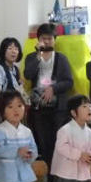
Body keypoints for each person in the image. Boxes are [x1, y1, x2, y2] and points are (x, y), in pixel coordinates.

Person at [23, 23, 74, 167]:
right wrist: (38, 55)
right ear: (38, 40)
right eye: (43, 39)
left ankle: (58, 173)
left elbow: (69, 82)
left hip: (58, 108)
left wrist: (53, 88)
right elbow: (28, 75)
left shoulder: (61, 58)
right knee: (42, 142)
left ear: (55, 40)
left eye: (50, 39)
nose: (46, 41)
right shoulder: (31, 57)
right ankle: (46, 173)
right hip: (39, 106)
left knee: (58, 141)